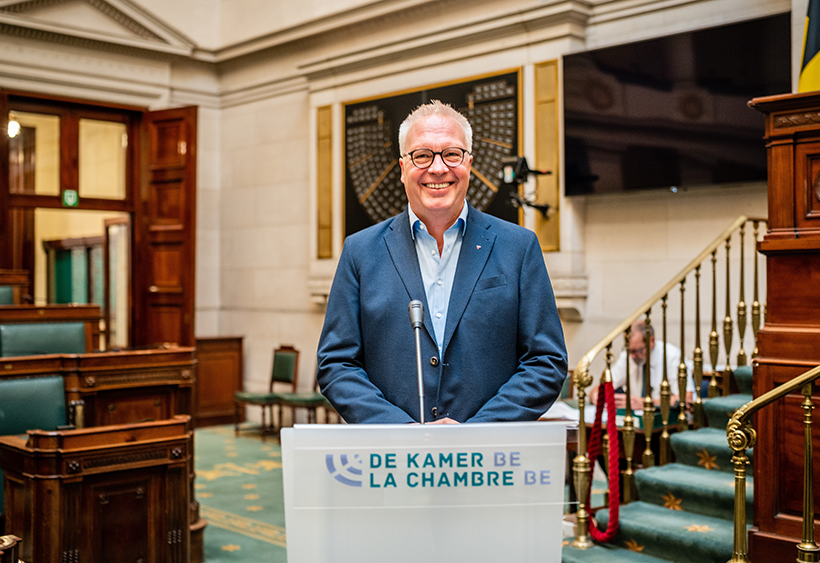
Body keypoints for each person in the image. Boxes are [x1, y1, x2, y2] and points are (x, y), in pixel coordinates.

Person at [317, 100, 568, 424]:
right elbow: (336, 364)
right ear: (403, 167)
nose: (438, 168)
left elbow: (546, 361)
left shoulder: (518, 247)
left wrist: (474, 432)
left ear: (469, 164)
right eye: (422, 155)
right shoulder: (360, 252)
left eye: (452, 154)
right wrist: (402, 431)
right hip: (391, 459)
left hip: (488, 459)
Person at [590, 320, 694, 411]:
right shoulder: (627, 357)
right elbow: (599, 389)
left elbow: (686, 399)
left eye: (638, 350)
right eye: (629, 350)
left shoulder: (672, 356)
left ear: (652, 341)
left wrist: (645, 403)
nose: (633, 356)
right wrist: (596, 396)